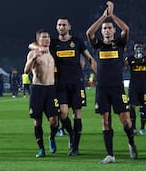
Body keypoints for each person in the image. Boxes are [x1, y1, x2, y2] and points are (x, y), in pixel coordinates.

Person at [29, 17, 96, 156]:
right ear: (56, 27)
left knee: (77, 114)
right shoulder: (53, 43)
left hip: (77, 83)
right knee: (63, 113)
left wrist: (97, 72)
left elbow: (89, 58)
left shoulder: (77, 41)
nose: (61, 27)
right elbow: (32, 44)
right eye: (59, 25)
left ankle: (74, 147)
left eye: (64, 25)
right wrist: (37, 48)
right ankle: (69, 134)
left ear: (69, 26)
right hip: (60, 85)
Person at [86, 1, 137, 164]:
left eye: (109, 28)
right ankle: (110, 154)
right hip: (101, 88)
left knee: (125, 119)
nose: (107, 30)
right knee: (105, 120)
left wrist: (112, 16)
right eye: (104, 29)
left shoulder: (120, 44)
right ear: (102, 32)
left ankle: (131, 143)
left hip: (117, 88)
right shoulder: (98, 45)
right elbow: (89, 33)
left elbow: (126, 29)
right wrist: (103, 17)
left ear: (114, 30)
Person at [24, 29, 59, 158]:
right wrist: (32, 58)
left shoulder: (52, 52)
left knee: (54, 120)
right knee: (37, 121)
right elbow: (26, 70)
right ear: (38, 40)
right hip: (37, 89)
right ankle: (41, 149)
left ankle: (52, 137)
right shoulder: (33, 53)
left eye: (48, 37)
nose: (47, 39)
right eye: (44, 37)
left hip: (51, 89)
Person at [125, 41, 146, 136]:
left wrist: (144, 56)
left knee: (144, 107)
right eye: (136, 47)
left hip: (144, 87)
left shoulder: (145, 59)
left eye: (140, 47)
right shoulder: (130, 58)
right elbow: (123, 65)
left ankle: (142, 128)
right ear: (133, 49)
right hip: (133, 87)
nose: (138, 48)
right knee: (131, 107)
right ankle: (133, 128)